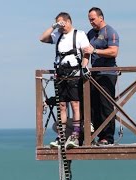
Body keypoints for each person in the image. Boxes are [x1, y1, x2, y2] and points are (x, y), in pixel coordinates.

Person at [40, 12, 90, 149]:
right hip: (60, 74)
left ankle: (76, 134)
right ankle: (61, 136)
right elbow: (42, 38)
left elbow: (86, 52)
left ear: (68, 21)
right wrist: (54, 26)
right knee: (61, 105)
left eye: (62, 23)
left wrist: (84, 67)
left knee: (75, 104)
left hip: (74, 73)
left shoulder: (79, 34)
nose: (61, 26)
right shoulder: (58, 35)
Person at [83, 7, 120, 145]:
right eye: (89, 20)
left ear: (101, 17)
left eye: (93, 19)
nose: (91, 22)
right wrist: (83, 66)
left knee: (106, 105)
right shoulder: (90, 33)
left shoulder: (110, 32)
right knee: (93, 105)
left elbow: (114, 52)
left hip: (108, 73)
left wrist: (95, 50)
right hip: (94, 73)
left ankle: (108, 137)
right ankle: (95, 135)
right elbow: (87, 52)